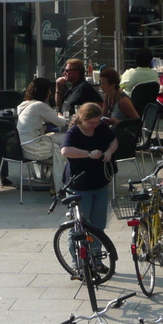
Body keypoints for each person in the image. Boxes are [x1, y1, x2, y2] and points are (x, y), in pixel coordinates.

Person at [60, 103, 118, 254]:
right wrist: (88, 154)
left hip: (100, 181)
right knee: (79, 226)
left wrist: (109, 152)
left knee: (99, 225)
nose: (94, 125)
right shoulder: (74, 132)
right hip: (79, 184)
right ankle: (77, 262)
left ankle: (96, 258)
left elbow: (114, 140)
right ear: (82, 118)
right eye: (91, 123)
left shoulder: (100, 127)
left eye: (97, 122)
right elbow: (65, 150)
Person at [16, 77, 67, 187]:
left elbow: (45, 118)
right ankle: (61, 183)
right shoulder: (39, 105)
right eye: (48, 89)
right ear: (44, 91)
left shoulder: (26, 104)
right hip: (33, 147)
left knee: (63, 138)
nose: (50, 92)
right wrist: (61, 116)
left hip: (23, 144)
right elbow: (61, 123)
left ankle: (57, 180)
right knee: (65, 145)